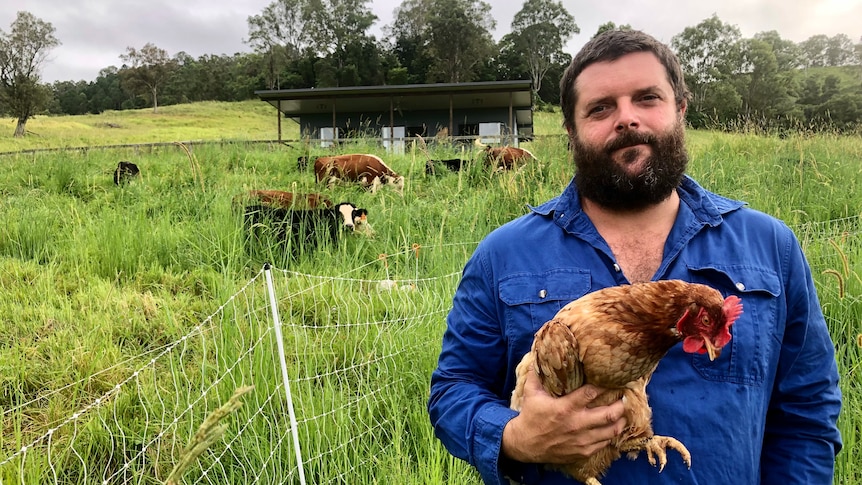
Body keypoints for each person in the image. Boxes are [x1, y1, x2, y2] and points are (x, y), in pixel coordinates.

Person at [427, 29, 842, 484]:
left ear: (680, 109)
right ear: (571, 131)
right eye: (601, 107)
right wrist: (515, 437)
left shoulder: (769, 246)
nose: (626, 119)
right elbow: (452, 391)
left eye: (647, 98)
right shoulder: (503, 255)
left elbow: (806, 413)